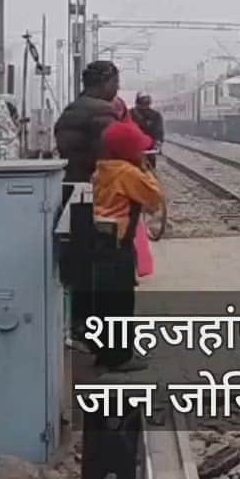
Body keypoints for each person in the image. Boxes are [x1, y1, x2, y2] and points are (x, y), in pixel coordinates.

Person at [89, 118, 162, 371]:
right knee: (121, 302)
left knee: (104, 302)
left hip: (101, 241)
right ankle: (120, 357)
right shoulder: (126, 172)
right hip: (119, 243)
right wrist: (144, 167)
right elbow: (154, 196)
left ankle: (103, 353)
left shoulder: (103, 167)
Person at [54, 61, 120, 183]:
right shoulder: (103, 111)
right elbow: (113, 155)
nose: (118, 88)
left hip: (72, 180)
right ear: (104, 83)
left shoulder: (71, 109)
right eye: (115, 82)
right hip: (95, 186)